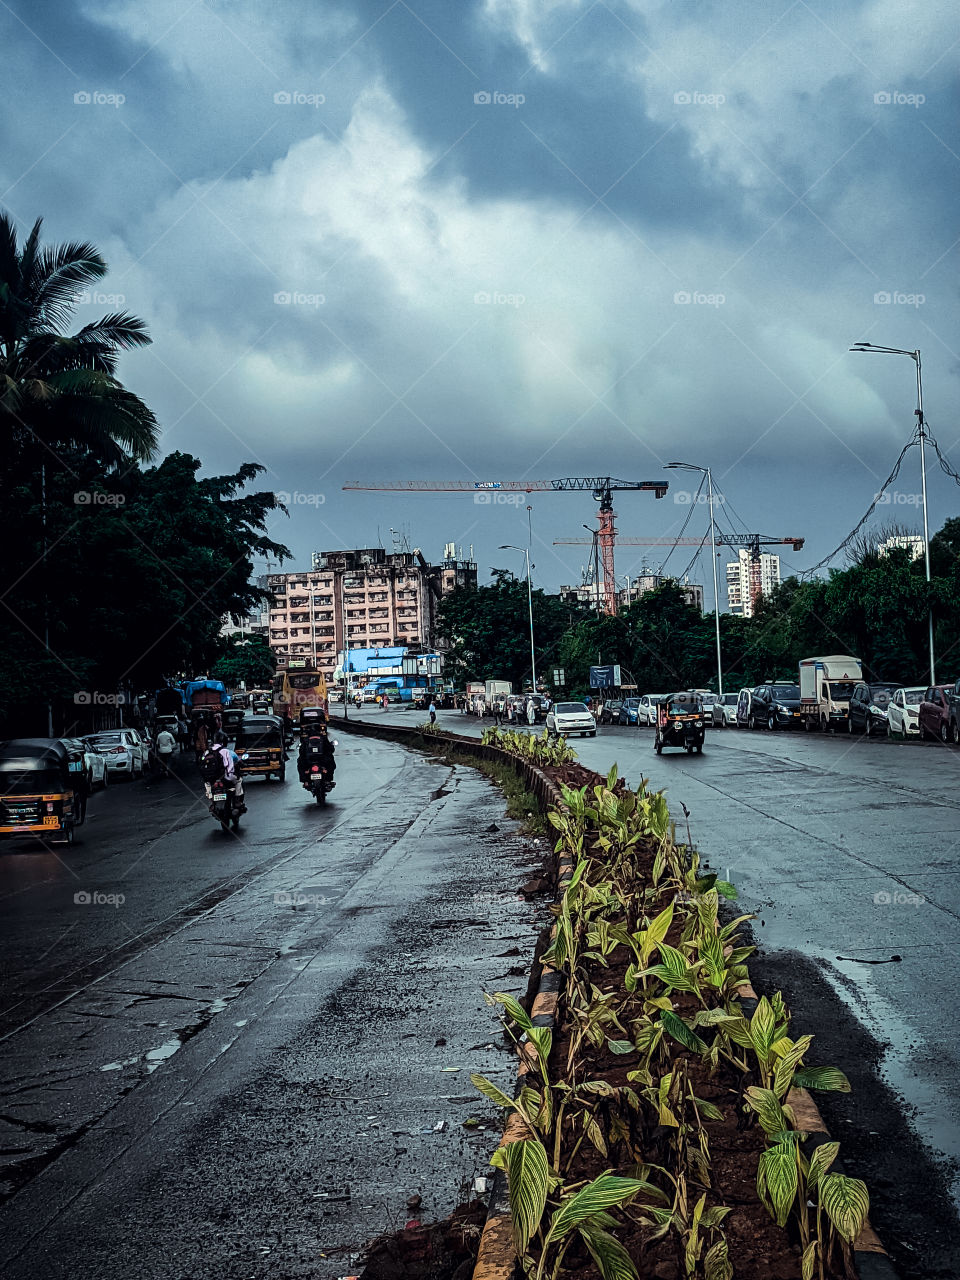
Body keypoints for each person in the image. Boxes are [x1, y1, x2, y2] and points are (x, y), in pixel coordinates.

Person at [202, 740, 246, 812]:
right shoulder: (227, 751)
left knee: (207, 784)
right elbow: (230, 766)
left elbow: (202, 764)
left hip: (211, 778)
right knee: (239, 780)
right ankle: (237, 801)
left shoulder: (206, 752)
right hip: (225, 777)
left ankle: (212, 802)